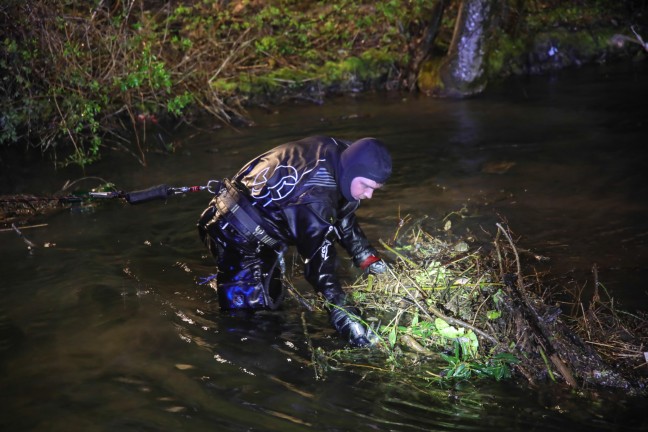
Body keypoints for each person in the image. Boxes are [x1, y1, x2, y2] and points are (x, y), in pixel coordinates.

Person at [197, 135, 391, 347]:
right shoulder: (313, 196)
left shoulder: (341, 153)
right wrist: (343, 314)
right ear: (352, 173)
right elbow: (319, 268)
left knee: (273, 300)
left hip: (251, 216)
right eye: (365, 186)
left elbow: (340, 213)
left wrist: (368, 259)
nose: (370, 195)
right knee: (252, 325)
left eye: (375, 188)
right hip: (235, 233)